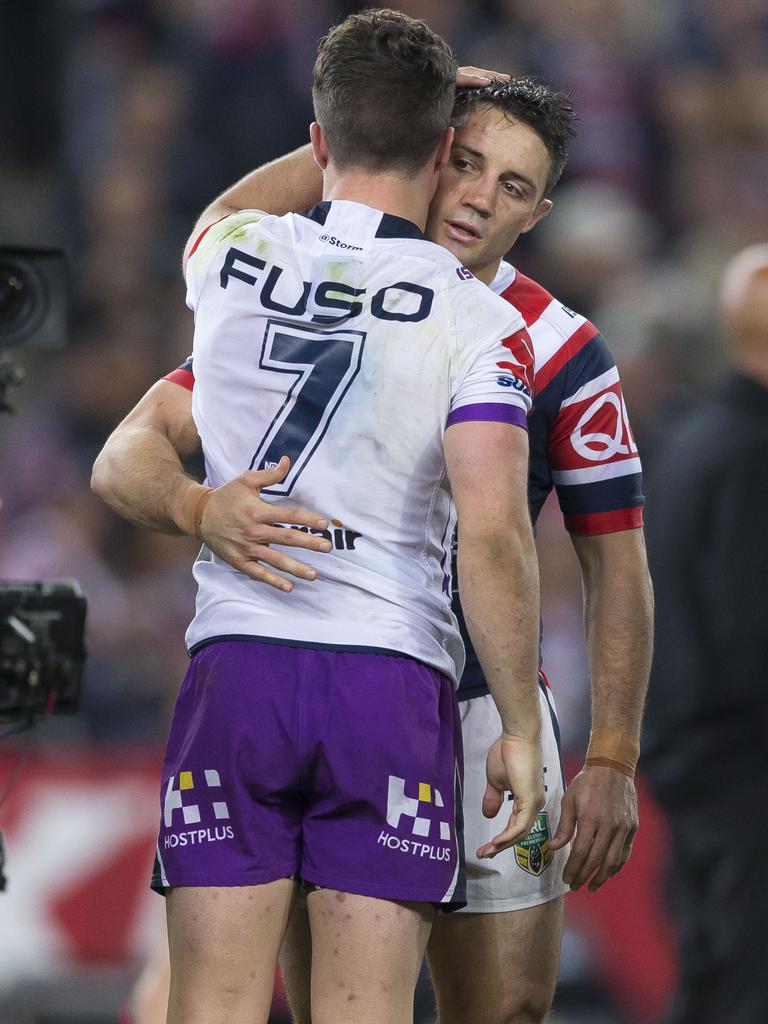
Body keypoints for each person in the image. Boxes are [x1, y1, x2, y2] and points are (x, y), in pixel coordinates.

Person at [99, 76, 653, 1024]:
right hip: (362, 683)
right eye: (468, 163)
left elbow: (618, 564)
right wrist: (200, 507)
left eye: (513, 186)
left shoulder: (563, 348)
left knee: (509, 1009)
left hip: (483, 704)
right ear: (432, 154)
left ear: (539, 212)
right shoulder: (304, 292)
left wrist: (610, 751)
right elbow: (145, 438)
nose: (479, 196)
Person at [643, 245, 768, 1024]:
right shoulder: (753, 455)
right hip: (748, 771)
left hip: (697, 769)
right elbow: (751, 635)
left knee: (718, 983)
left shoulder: (694, 440)